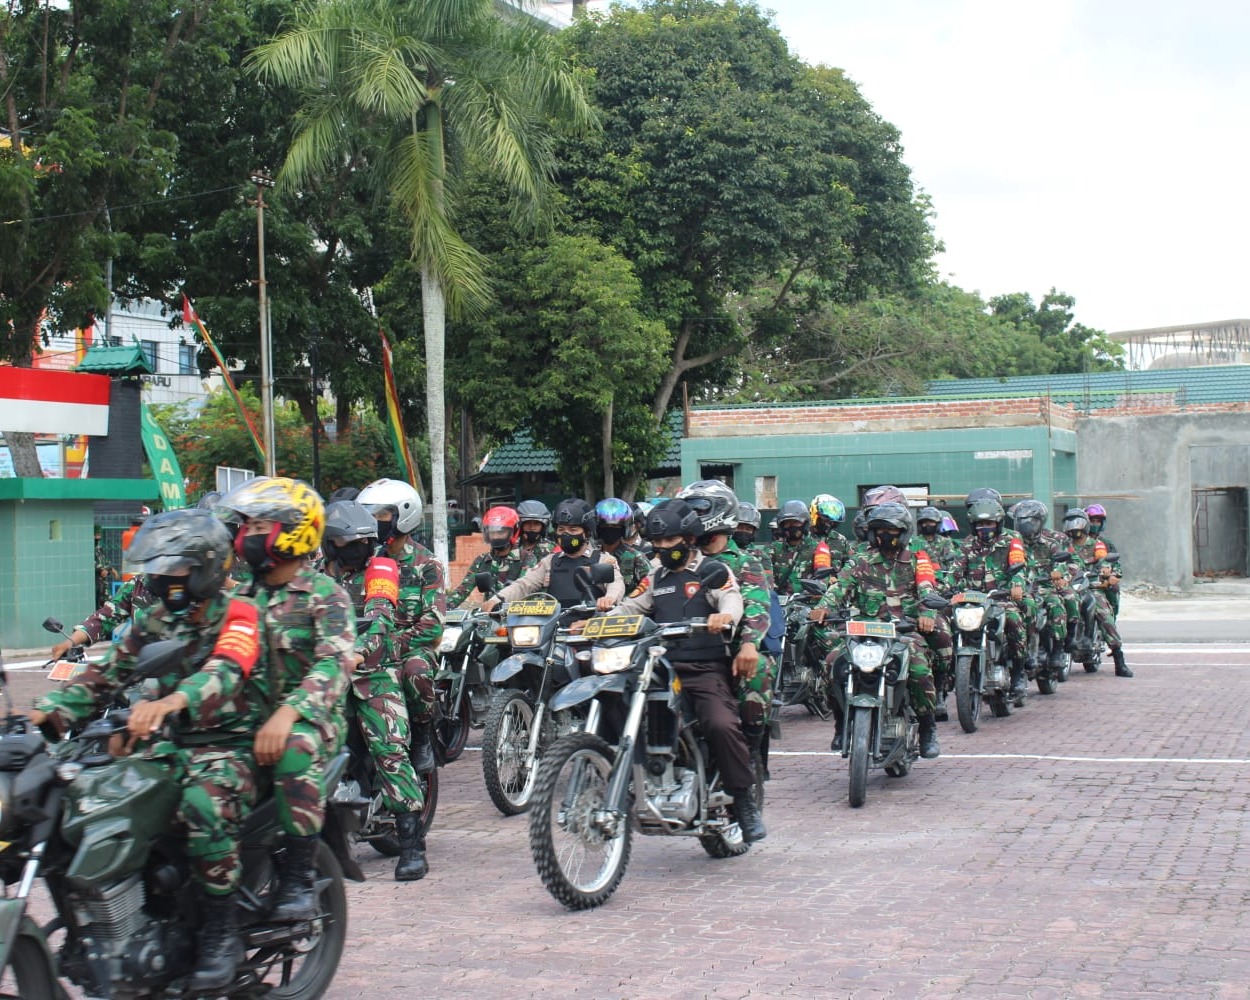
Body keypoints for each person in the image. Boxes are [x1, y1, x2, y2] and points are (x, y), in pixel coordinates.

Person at [34, 509, 266, 991]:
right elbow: (106, 675)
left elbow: (226, 668)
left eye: (175, 567)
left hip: (230, 744)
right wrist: (49, 713)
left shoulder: (239, 613)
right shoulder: (155, 619)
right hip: (169, 744)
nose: (163, 576)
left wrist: (174, 701)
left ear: (205, 567)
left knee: (203, 804)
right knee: (88, 792)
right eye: (159, 567)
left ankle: (221, 933)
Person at [194, 477, 356, 926]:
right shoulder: (237, 597)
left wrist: (289, 713)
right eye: (246, 526)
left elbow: (334, 663)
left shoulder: (326, 595)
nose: (246, 535)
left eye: (259, 526)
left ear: (294, 531)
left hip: (311, 723)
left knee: (294, 748)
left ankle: (298, 878)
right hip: (246, 724)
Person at [607, 498, 766, 842]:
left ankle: (743, 800)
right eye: (658, 542)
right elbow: (630, 607)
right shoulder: (656, 577)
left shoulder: (712, 570)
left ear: (690, 538)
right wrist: (597, 623)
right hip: (660, 668)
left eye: (671, 540)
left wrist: (725, 616)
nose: (664, 547)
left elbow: (731, 597)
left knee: (720, 724)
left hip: (703, 668)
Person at [323, 500, 429, 881]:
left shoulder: (381, 567)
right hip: (325, 677)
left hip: (374, 672)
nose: (362, 549)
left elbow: (381, 615)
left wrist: (357, 653)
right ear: (330, 544)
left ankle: (413, 845)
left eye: (366, 541)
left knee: (390, 751)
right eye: (351, 543)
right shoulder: (316, 578)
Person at [809, 502, 942, 759]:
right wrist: (823, 607)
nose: (885, 535)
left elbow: (927, 587)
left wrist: (927, 614)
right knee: (831, 664)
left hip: (903, 631)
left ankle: (928, 728)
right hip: (863, 631)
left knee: (919, 670)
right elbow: (840, 587)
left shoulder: (917, 559)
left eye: (891, 531)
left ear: (903, 532)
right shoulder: (861, 560)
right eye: (880, 530)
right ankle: (840, 722)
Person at [678, 481, 774, 769]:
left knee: (757, 672)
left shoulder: (745, 562)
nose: (690, 516)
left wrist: (749, 645)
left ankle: (749, 755)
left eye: (697, 509)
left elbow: (757, 606)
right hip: (680, 648)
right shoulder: (676, 558)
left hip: (729, 649)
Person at [357, 478, 445, 773]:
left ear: (404, 516)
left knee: (416, 672)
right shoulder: (364, 559)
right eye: (369, 514)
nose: (374, 521)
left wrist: (390, 645)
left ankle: (421, 735)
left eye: (381, 514)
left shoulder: (427, 564)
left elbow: (433, 624)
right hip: (365, 645)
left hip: (410, 648)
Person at [948, 497, 1034, 698]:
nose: (984, 528)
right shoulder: (967, 544)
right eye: (980, 524)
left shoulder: (1012, 539)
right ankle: (949, 675)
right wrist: (943, 589)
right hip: (972, 600)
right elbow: (955, 571)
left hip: (1001, 597)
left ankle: (1018, 672)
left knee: (1014, 620)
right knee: (947, 622)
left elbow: (1019, 564)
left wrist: (1017, 585)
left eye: (989, 523)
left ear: (998, 523)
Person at [485, 499, 625, 612]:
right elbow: (523, 585)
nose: (566, 534)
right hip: (554, 629)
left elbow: (616, 583)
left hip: (589, 628)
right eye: (561, 529)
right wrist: (496, 600)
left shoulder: (602, 559)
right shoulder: (550, 561)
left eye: (573, 530)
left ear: (586, 532)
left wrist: (609, 599)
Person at [1011, 500, 1077, 671]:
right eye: (1022, 520)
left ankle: (1059, 648)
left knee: (1058, 605)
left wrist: (1059, 573)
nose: (1026, 525)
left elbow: (1062, 562)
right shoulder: (1012, 544)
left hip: (1044, 588)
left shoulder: (1051, 544)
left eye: (1031, 521)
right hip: (1019, 589)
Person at [1064, 508, 1132, 677]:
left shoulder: (1097, 544)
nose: (1074, 528)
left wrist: (1107, 572)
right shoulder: (1064, 545)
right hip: (1070, 587)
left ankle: (1118, 658)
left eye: (1078, 523)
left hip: (1093, 586)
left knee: (1103, 613)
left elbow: (1104, 560)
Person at [448, 505, 525, 606]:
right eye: (492, 532)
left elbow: (525, 588)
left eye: (501, 532)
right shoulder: (482, 560)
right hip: (488, 613)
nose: (496, 536)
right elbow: (463, 590)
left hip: (517, 612)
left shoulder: (526, 558)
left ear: (514, 531)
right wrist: (443, 608)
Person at [770, 499, 832, 596]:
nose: (791, 526)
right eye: (787, 523)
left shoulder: (820, 548)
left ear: (805, 524)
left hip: (807, 601)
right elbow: (763, 578)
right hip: (778, 602)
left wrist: (807, 594)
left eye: (796, 522)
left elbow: (822, 579)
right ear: (782, 525)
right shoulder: (772, 549)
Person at [594, 497, 650, 593]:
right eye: (605, 526)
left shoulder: (636, 558)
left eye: (615, 526)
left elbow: (649, 588)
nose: (610, 529)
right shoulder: (592, 557)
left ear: (624, 529)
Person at [1082, 503, 1122, 614]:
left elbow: (1116, 564)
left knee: (1114, 588)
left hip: (1099, 581)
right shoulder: (1076, 542)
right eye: (1092, 521)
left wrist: (1113, 575)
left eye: (1098, 521)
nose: (1095, 524)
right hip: (1079, 580)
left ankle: (1111, 617)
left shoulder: (1106, 543)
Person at [809, 494, 853, 571]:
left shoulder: (840, 540)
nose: (830, 522)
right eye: (826, 516)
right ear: (815, 513)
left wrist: (839, 576)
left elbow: (851, 564)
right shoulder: (804, 537)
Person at [516, 499, 556, 569]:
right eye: (528, 523)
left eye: (536, 523)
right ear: (521, 525)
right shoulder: (512, 548)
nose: (532, 527)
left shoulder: (552, 548)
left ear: (542, 527)